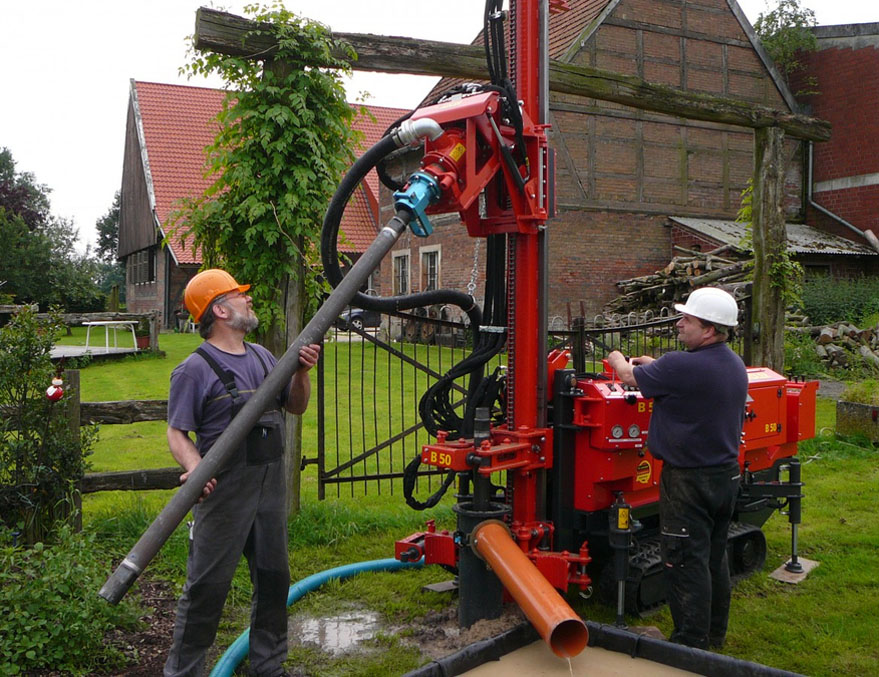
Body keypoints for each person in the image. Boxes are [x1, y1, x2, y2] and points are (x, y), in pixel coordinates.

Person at [164, 268, 321, 677]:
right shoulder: (194, 369)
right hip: (225, 494)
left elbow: (296, 407)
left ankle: (268, 667)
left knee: (274, 580)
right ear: (219, 309)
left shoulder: (263, 357)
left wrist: (301, 372)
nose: (248, 299)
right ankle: (183, 673)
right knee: (206, 589)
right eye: (239, 295)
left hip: (269, 490)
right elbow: (176, 431)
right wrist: (195, 466)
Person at [606, 287, 747, 650]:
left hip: (688, 480)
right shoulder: (731, 362)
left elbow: (626, 376)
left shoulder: (681, 366)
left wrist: (618, 357)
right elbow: (677, 377)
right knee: (713, 558)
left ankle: (689, 645)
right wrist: (655, 366)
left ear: (710, 330)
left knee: (684, 562)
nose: (679, 324)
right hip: (725, 475)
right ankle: (713, 635)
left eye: (688, 320)